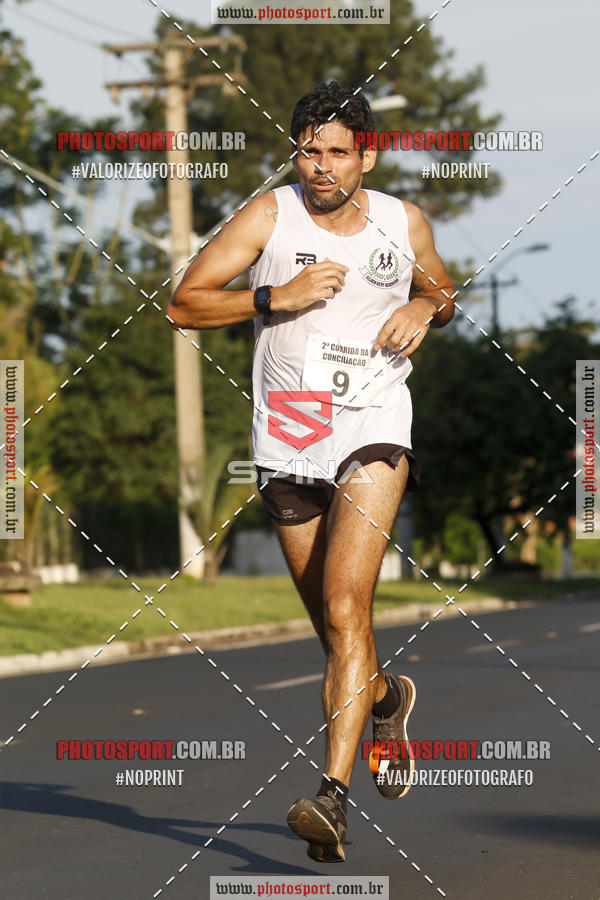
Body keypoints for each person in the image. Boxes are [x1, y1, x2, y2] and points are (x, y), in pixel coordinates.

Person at [168, 81, 455, 864]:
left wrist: (427, 310)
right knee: (334, 629)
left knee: (342, 600)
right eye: (307, 149)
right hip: (288, 434)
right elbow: (184, 303)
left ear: (366, 154)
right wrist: (274, 294)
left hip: (372, 426)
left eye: (335, 152)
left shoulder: (403, 221)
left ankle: (332, 795)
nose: (319, 165)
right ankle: (388, 694)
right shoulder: (270, 215)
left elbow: (443, 287)